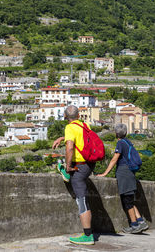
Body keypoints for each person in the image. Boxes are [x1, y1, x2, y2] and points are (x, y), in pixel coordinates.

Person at [52, 105, 95, 245]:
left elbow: (70, 147)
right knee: (82, 198)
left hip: (80, 166)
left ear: (65, 116)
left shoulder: (69, 127)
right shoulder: (85, 125)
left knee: (81, 200)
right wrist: (63, 137)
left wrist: (69, 166)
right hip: (89, 164)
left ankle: (88, 235)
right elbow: (80, 138)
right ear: (78, 116)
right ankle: (67, 173)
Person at [97, 123, 149, 234]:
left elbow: (114, 159)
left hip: (124, 173)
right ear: (125, 132)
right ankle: (140, 221)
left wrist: (105, 173)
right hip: (129, 173)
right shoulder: (128, 142)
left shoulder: (120, 143)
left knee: (127, 201)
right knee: (130, 198)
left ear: (116, 133)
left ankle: (134, 225)